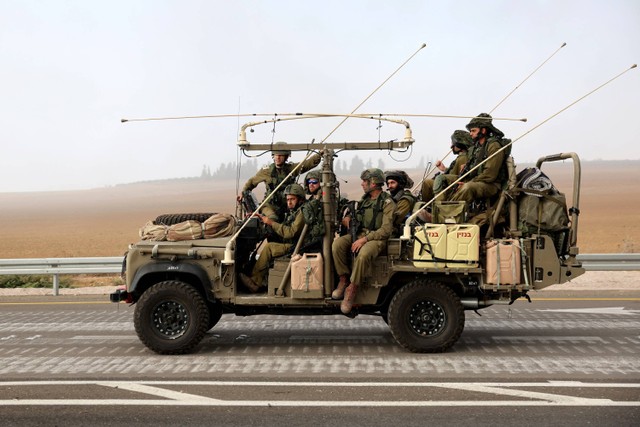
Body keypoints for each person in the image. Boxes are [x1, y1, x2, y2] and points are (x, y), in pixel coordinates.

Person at [331, 168, 395, 314]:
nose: (362, 184)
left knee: (364, 254)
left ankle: (352, 288)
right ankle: (343, 279)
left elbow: (386, 230)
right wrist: (347, 220)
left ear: (373, 183)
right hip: (361, 234)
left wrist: (365, 239)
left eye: (364, 181)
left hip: (377, 238)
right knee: (337, 245)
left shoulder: (387, 202)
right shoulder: (365, 200)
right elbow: (359, 219)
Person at [239, 183, 306, 293]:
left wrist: (271, 223)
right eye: (288, 199)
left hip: (297, 246)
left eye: (292, 199)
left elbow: (291, 232)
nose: (289, 202)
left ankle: (255, 282)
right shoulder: (295, 211)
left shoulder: (301, 213)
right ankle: (261, 277)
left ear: (300, 199)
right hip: (294, 242)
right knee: (271, 239)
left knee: (269, 248)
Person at [239, 142, 321, 221]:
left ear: (286, 157)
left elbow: (307, 164)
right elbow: (252, 181)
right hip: (269, 205)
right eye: (276, 155)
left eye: (281, 155)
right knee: (273, 219)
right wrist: (243, 192)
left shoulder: (291, 169)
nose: (278, 157)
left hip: (288, 205)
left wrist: (319, 155)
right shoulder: (266, 171)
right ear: (273, 156)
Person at [450, 113, 506, 204]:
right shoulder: (476, 147)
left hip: (491, 185)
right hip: (478, 180)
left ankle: (447, 214)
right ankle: (435, 209)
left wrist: (468, 182)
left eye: (473, 131)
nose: (470, 134)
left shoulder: (494, 146)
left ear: (483, 130)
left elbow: (489, 175)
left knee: (467, 188)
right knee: (446, 182)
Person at [420, 130, 472, 203]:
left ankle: (427, 207)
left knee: (427, 183)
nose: (451, 146)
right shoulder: (462, 157)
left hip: (450, 188)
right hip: (448, 185)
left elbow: (458, 176)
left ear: (459, 145)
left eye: (453, 143)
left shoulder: (463, 158)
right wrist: (444, 169)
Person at [299, 170, 325, 253]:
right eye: (309, 181)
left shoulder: (325, 200)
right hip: (309, 238)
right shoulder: (310, 201)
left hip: (320, 239)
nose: (311, 184)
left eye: (314, 182)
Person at [384, 170, 416, 236]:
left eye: (392, 183)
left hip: (397, 232)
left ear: (400, 184)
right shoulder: (392, 199)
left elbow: (395, 220)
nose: (389, 186)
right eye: (388, 183)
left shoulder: (405, 200)